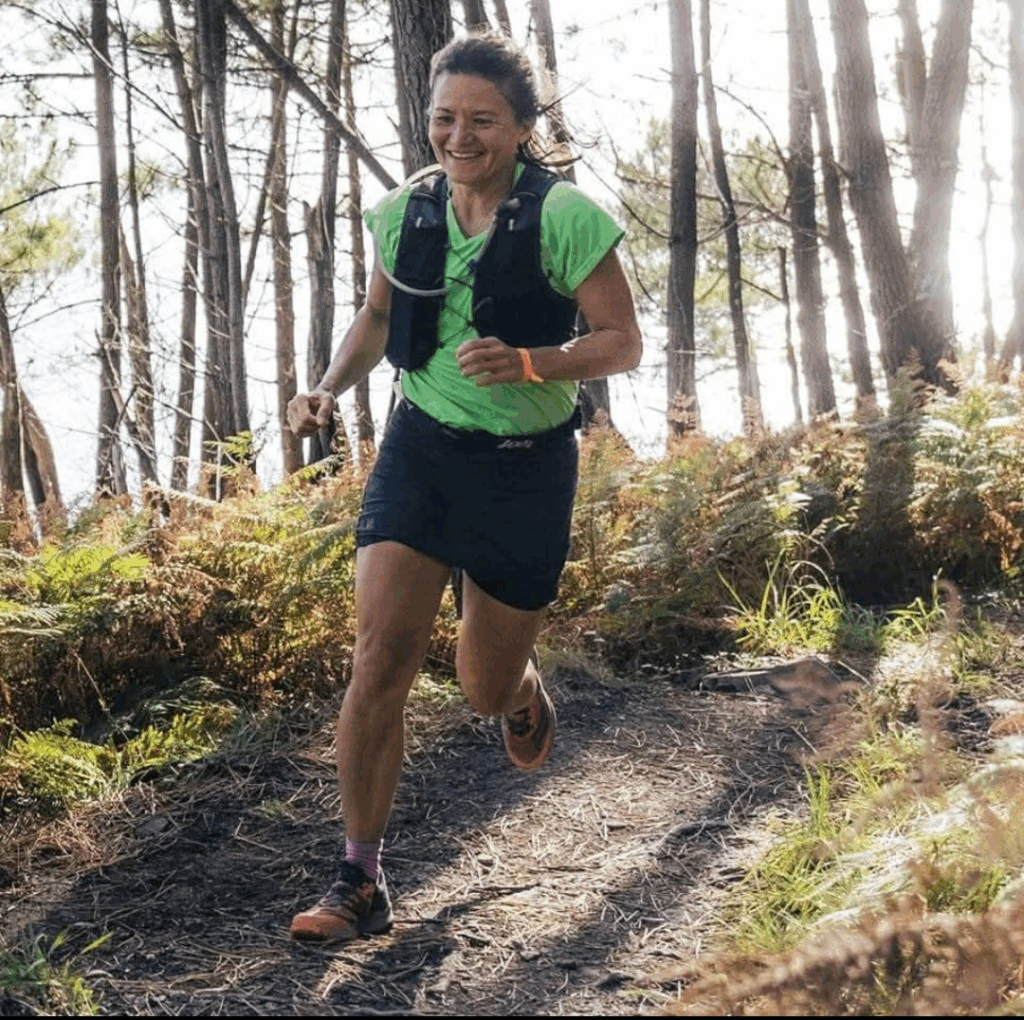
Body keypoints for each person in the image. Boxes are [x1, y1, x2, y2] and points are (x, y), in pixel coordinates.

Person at [286, 31, 642, 943]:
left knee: (481, 689)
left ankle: (519, 692)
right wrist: (327, 387)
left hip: (526, 471)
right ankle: (359, 878)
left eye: (482, 120)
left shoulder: (567, 219)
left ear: (521, 127)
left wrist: (530, 361)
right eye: (445, 118)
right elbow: (377, 317)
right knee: (380, 657)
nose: (459, 136)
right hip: (422, 450)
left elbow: (621, 343)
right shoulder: (406, 211)